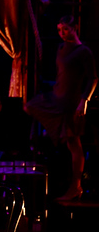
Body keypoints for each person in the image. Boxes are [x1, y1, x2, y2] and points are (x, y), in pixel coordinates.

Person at [27, 15, 96, 201]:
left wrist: (85, 100)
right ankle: (51, 134)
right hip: (57, 96)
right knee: (30, 106)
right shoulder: (61, 48)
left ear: (75, 27)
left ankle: (76, 186)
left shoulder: (84, 52)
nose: (61, 33)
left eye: (65, 29)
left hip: (71, 102)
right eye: (59, 29)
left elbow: (93, 78)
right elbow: (62, 74)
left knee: (74, 144)